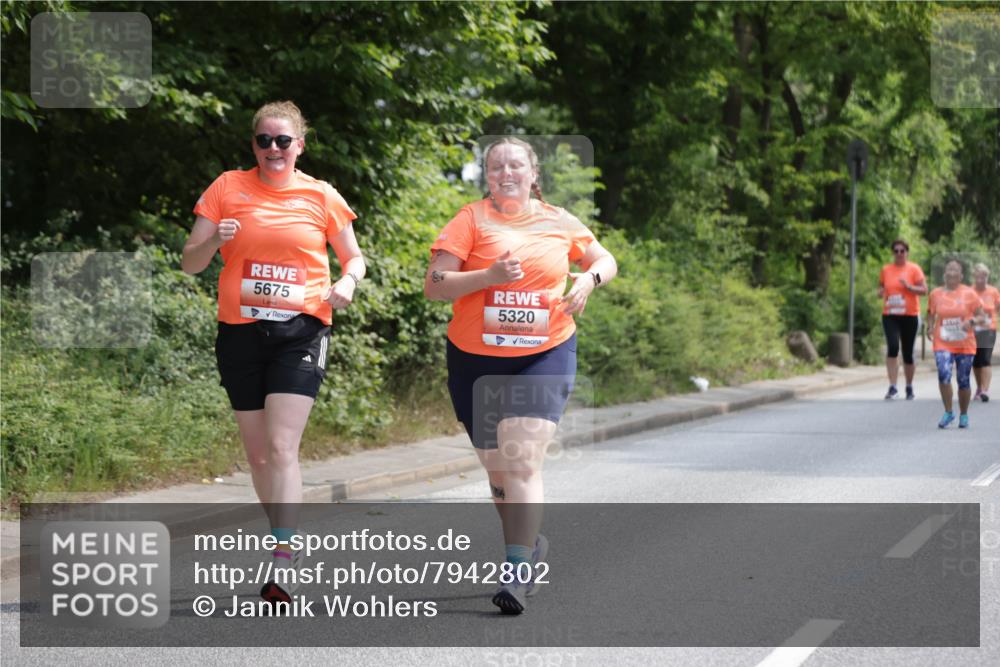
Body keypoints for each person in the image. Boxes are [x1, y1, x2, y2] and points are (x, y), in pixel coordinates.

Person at [181, 101, 365, 603]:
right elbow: (190, 263)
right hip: (240, 331)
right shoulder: (227, 187)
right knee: (259, 454)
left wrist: (347, 280)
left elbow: (354, 257)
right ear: (253, 146)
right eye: (264, 140)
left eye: (283, 141)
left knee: (283, 447)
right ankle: (284, 538)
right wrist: (212, 240)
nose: (273, 149)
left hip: (301, 330)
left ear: (299, 145)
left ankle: (283, 554)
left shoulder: (321, 195)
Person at [425, 137, 617, 614]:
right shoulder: (470, 220)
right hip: (474, 358)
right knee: (497, 472)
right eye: (495, 167)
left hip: (545, 351)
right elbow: (434, 285)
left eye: (515, 165)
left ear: (533, 174)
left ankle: (515, 572)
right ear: (487, 177)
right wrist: (487, 277)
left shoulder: (558, 220)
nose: (505, 173)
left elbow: (604, 259)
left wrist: (588, 279)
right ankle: (527, 545)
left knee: (521, 460)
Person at [926, 260, 985, 429]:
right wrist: (930, 326)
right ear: (944, 274)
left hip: (964, 343)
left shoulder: (970, 294)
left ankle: (964, 414)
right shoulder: (935, 294)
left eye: (955, 269)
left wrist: (972, 320)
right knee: (944, 374)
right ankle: (948, 411)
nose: (951, 272)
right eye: (949, 268)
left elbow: (982, 316)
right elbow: (930, 312)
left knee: (963, 380)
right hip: (943, 342)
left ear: (961, 275)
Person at [878, 239, 927, 400]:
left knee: (907, 353)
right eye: (896, 251)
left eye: (902, 251)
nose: (899, 254)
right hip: (890, 315)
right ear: (893, 253)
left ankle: (909, 386)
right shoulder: (886, 270)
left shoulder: (914, 269)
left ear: (907, 252)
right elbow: (881, 286)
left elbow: (924, 290)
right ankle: (893, 386)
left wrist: (910, 287)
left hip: (910, 315)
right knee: (892, 347)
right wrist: (880, 292)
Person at [972, 263, 999, 402]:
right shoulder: (969, 292)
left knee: (986, 358)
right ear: (974, 277)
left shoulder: (993, 291)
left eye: (984, 277)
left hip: (989, 329)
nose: (981, 280)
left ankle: (985, 390)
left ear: (987, 277)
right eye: (978, 277)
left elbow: (999, 308)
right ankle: (979, 387)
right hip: (973, 330)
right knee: (976, 362)